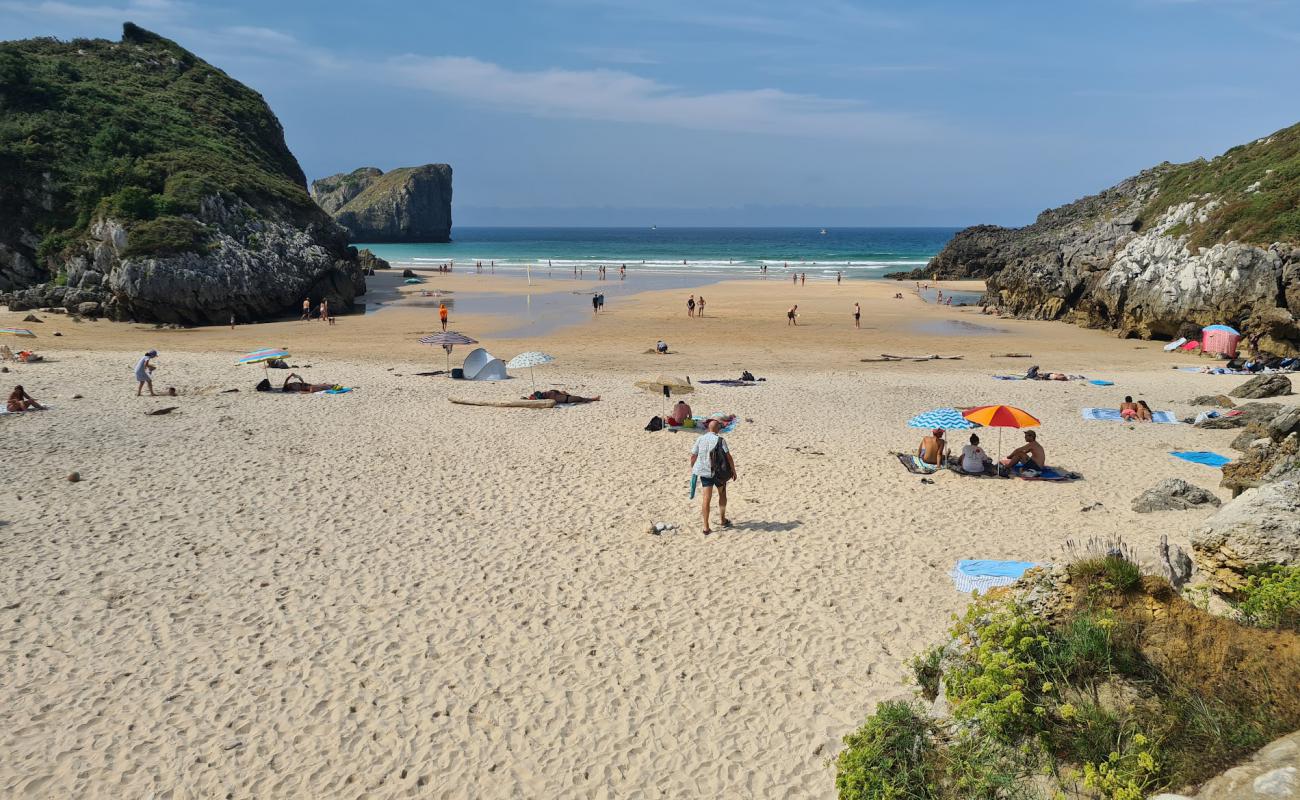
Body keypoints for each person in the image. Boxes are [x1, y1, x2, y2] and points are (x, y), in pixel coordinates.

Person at [690, 417, 737, 535]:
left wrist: (694, 468)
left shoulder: (700, 439)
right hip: (718, 472)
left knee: (706, 498)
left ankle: (706, 527)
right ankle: (722, 519)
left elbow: (693, 456)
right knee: (722, 494)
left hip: (704, 472)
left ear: (708, 428)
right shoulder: (720, 440)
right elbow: (728, 456)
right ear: (718, 429)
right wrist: (733, 470)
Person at [527, 389, 599, 403]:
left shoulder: (546, 394)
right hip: (566, 399)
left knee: (579, 398)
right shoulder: (546, 397)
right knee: (580, 398)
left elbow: (555, 391)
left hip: (565, 397)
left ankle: (593, 399)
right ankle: (594, 399)